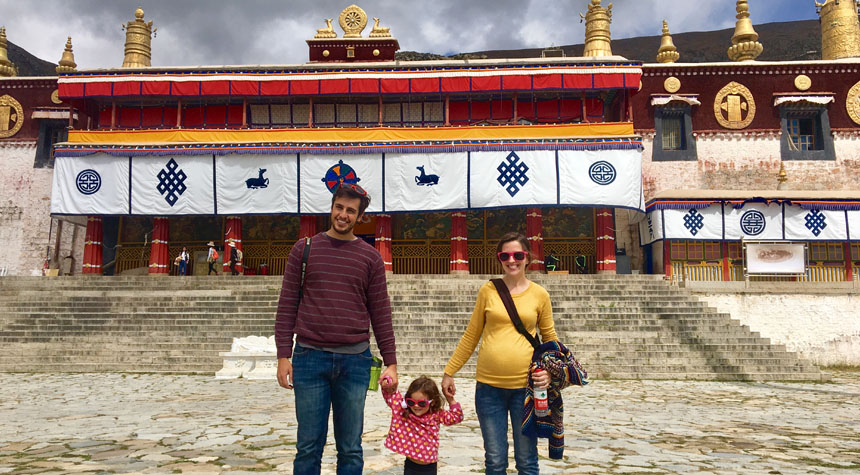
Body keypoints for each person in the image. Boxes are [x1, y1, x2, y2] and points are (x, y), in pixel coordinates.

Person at [275, 182, 398, 475]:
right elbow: (287, 304)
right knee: (308, 447)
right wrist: (282, 355)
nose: (343, 215)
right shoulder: (304, 249)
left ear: (360, 217)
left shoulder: (370, 258)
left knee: (351, 449)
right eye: (339, 207)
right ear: (331, 208)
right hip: (309, 358)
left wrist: (391, 362)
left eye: (351, 211)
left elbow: (380, 312)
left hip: (355, 362)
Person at [442, 231, 557, 475]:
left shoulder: (540, 295)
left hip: (525, 389)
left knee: (527, 460)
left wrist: (549, 371)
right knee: (494, 461)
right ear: (499, 258)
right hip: (488, 389)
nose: (511, 260)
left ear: (527, 258)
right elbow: (472, 334)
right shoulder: (488, 290)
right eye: (505, 255)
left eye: (518, 254)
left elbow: (550, 340)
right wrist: (450, 371)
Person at [380, 375, 463, 475]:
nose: (416, 406)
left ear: (432, 403)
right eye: (411, 402)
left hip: (429, 468)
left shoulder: (436, 415)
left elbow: (457, 417)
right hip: (410, 465)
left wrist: (450, 399)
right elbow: (390, 394)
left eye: (422, 403)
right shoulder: (404, 411)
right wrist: (387, 381)